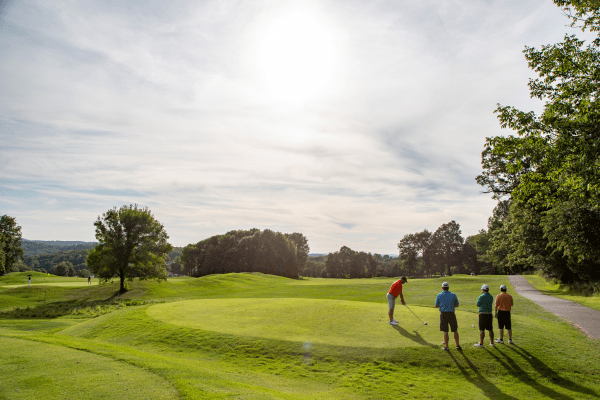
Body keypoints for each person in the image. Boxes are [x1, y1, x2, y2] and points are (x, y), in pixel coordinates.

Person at [435, 281, 461, 351]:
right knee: (455, 330)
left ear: (442, 288)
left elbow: (436, 305)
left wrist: (442, 305)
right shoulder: (453, 295)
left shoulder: (439, 295)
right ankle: (457, 345)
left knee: (445, 331)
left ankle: (446, 347)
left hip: (443, 314)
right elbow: (457, 305)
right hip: (451, 314)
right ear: (448, 288)